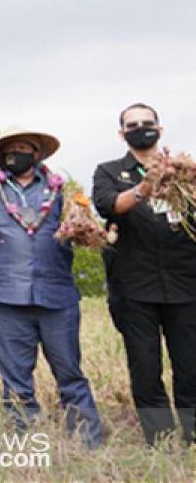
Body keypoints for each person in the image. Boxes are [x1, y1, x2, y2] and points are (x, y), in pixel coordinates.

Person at [0, 126, 103, 447]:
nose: (17, 152)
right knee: (15, 379)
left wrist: (88, 228)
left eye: (24, 147)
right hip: (5, 297)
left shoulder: (63, 189)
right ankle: (24, 441)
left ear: (37, 153)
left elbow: (84, 229)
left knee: (70, 372)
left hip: (56, 296)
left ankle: (87, 441)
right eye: (10, 148)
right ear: (2, 155)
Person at [92, 103, 196, 447]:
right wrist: (144, 188)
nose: (141, 128)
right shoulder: (109, 172)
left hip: (185, 283)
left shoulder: (185, 171)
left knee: (191, 364)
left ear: (160, 129)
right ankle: (161, 438)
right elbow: (109, 206)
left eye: (147, 123)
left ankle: (193, 436)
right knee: (145, 365)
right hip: (134, 287)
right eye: (132, 125)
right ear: (122, 134)